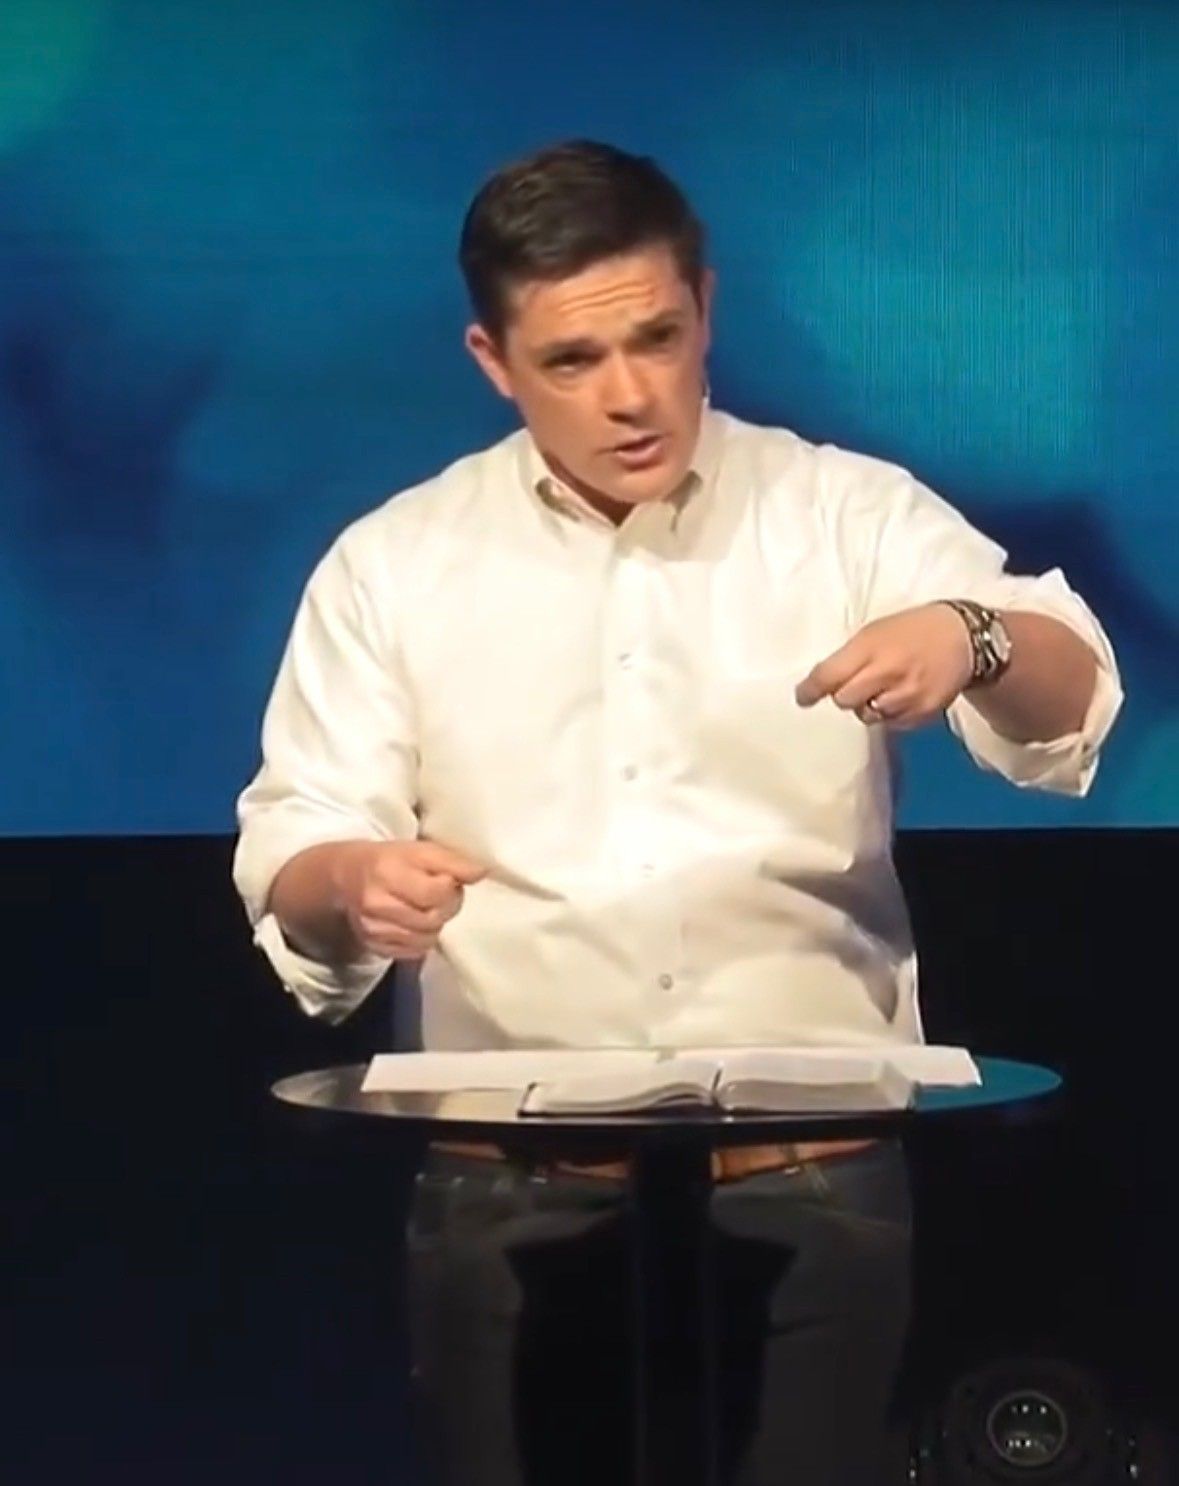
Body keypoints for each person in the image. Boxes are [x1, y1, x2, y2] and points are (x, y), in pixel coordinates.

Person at [233, 140, 1122, 1485]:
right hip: (508, 1191)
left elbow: (1072, 694)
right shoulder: (395, 563)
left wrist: (971, 632)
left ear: (706, 304)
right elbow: (299, 845)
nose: (631, 394)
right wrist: (353, 880)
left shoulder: (840, 510)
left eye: (657, 336)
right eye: (572, 361)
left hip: (816, 1180)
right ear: (492, 360)